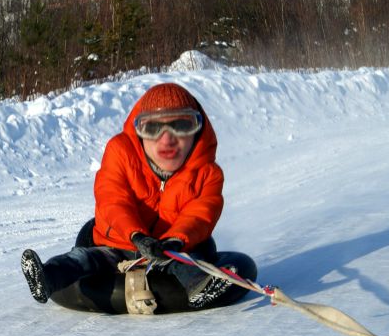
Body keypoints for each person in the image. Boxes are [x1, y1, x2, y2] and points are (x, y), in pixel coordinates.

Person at [21, 82, 236, 309]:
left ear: (198, 130)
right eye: (152, 128)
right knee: (87, 259)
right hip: (118, 243)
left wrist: (175, 240)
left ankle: (200, 286)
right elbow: (112, 199)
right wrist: (136, 235)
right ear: (139, 131)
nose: (167, 139)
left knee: (187, 262)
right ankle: (48, 276)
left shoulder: (208, 173)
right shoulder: (121, 153)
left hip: (168, 249)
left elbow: (201, 214)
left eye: (181, 126)